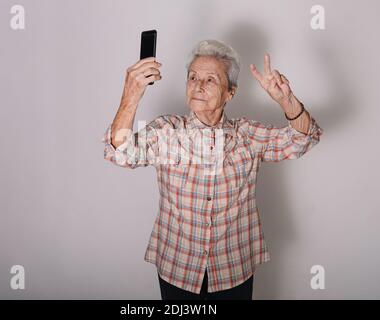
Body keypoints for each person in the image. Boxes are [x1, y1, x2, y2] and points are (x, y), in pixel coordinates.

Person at [102, 39, 323, 300]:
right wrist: (130, 95)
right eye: (193, 77)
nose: (198, 85)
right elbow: (119, 153)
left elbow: (304, 139)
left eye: (210, 80)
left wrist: (287, 101)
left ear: (230, 92)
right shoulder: (167, 130)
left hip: (233, 268)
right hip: (178, 267)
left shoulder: (247, 134)